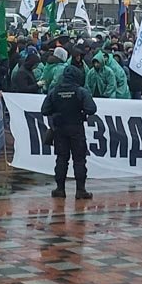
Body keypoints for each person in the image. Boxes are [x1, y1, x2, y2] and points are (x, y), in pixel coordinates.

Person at [40, 65, 96, 199]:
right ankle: (80, 190)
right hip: (76, 128)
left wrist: (57, 112)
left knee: (61, 159)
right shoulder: (80, 91)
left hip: (60, 129)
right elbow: (91, 109)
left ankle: (60, 189)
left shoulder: (54, 91)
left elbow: (45, 110)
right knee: (79, 159)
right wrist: (80, 111)